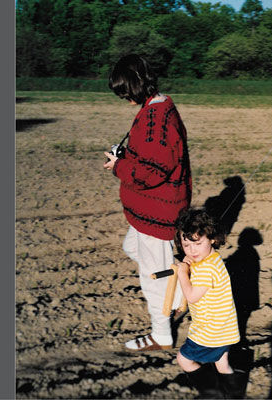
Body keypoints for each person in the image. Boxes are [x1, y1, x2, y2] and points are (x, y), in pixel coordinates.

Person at [103, 54, 192, 351]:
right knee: (133, 249)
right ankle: (180, 292)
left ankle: (162, 334)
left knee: (153, 277)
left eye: (125, 92)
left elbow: (151, 172)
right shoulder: (157, 105)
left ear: (137, 86)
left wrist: (118, 166)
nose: (125, 99)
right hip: (149, 209)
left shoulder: (156, 117)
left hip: (158, 210)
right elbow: (152, 159)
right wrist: (125, 157)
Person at [174, 208, 244, 398]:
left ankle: (213, 394)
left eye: (197, 243)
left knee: (184, 359)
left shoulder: (206, 269)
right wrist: (190, 262)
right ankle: (234, 393)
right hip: (225, 328)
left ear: (212, 238)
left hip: (210, 331)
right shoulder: (212, 259)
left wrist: (182, 273)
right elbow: (198, 263)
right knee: (222, 363)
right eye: (186, 245)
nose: (192, 250)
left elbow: (192, 296)